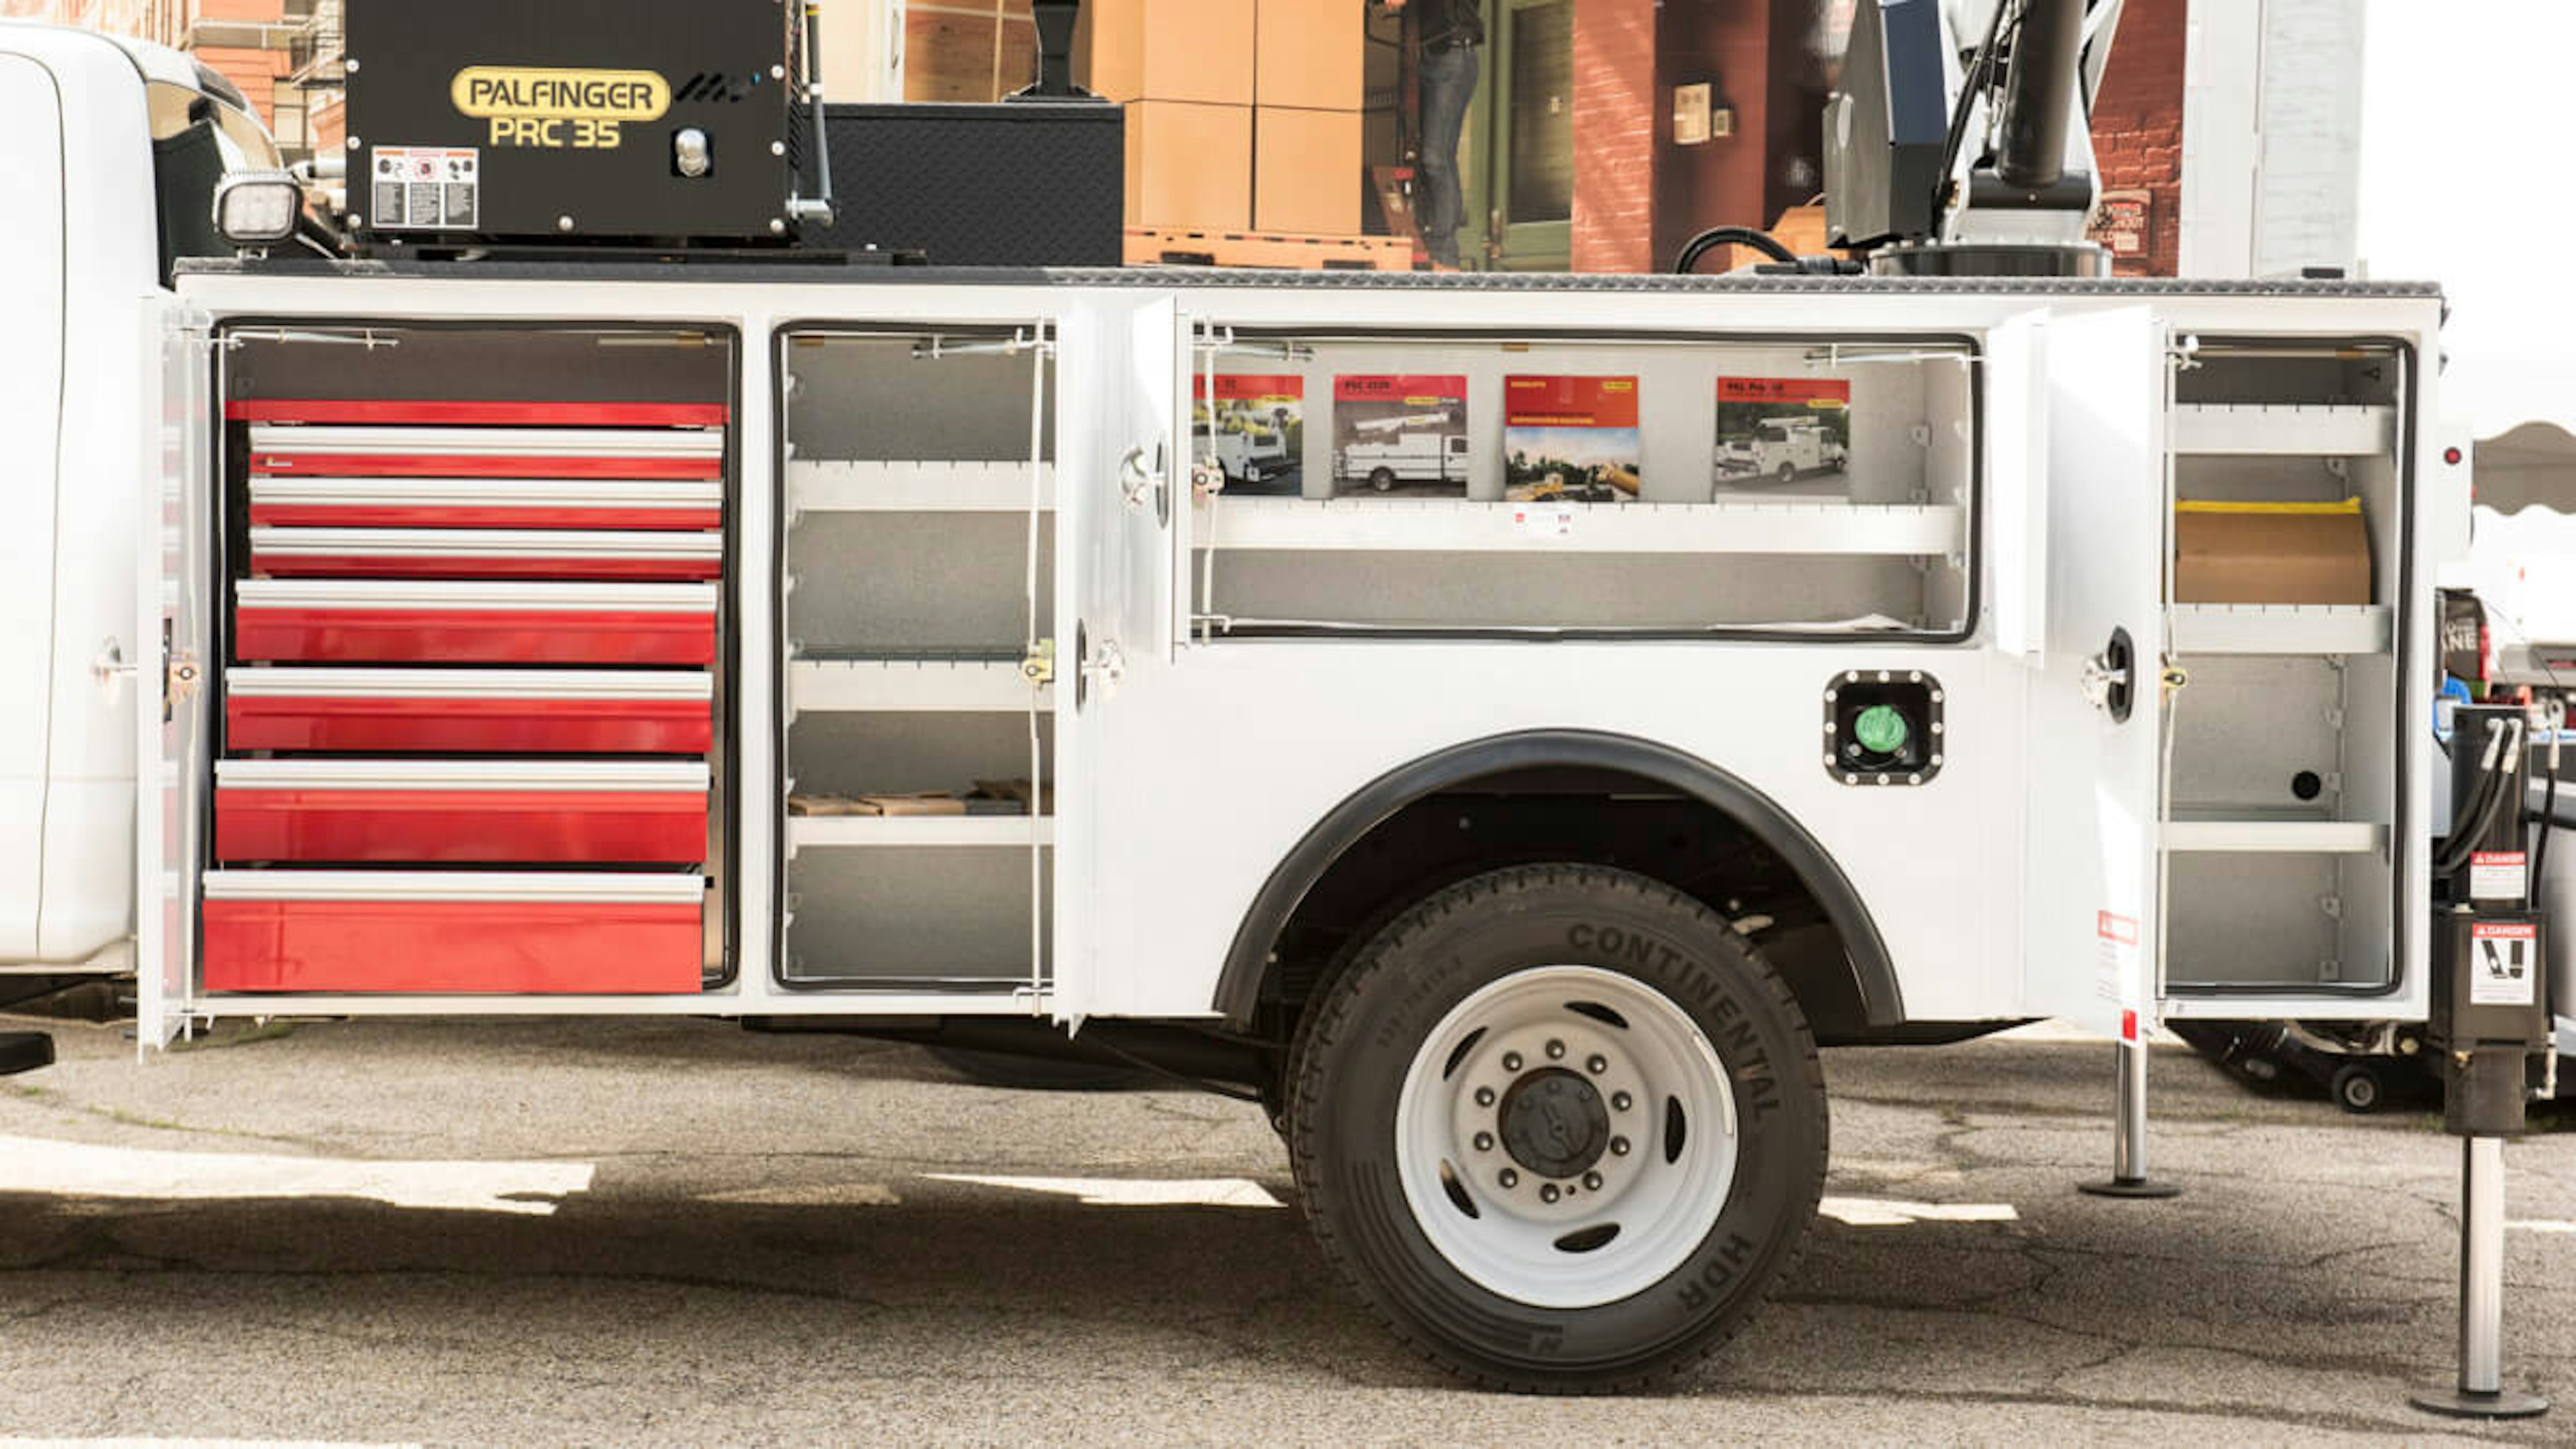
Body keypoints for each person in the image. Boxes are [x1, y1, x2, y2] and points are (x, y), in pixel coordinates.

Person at [1383, 0, 1483, 270]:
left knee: (1436, 158)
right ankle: (1431, 243)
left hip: (1453, 56)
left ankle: (1444, 254)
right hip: (1429, 54)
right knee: (1423, 155)